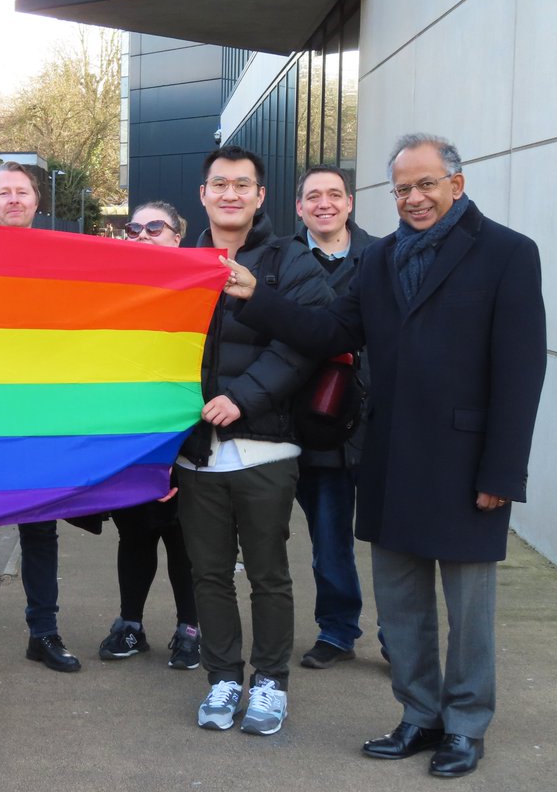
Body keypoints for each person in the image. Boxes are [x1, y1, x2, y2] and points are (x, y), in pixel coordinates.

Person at [222, 133, 546, 777]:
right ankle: (419, 716)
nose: (413, 198)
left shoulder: (508, 252)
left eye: (426, 184)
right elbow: (331, 331)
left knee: (469, 613)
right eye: (402, 189)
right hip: (391, 458)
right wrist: (258, 296)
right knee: (401, 606)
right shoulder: (381, 258)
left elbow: (521, 370)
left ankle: (466, 726)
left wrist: (503, 471)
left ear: (457, 183)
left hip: (467, 465)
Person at [176, 146, 331, 737]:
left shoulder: (291, 260)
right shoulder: (180, 264)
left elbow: (305, 343)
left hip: (265, 447)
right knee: (209, 573)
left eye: (243, 185)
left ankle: (270, 682)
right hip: (196, 454)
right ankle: (221, 676)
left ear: (261, 196)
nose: (231, 194)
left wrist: (243, 397)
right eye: (220, 184)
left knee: (268, 573)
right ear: (203, 194)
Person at [0, 161, 82, 679]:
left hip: (38, 414)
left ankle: (44, 632)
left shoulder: (61, 257)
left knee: (40, 530)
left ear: (36, 201)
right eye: (3, 192)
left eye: (21, 192)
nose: (13, 199)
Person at [97, 201, 199, 671]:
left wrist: (176, 458)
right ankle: (131, 625)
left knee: (185, 542)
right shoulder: (113, 296)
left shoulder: (201, 291)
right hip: (131, 444)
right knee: (135, 536)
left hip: (188, 444)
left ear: (178, 236)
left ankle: (190, 629)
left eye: (154, 227)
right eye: (133, 227)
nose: (141, 234)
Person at [290, 166, 378, 670]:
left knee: (396, 542)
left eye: (334, 195)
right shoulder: (282, 260)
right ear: (299, 208)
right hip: (316, 422)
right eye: (313, 196)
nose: (324, 204)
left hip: (380, 422)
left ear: (349, 202)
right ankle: (338, 630)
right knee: (328, 538)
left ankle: (400, 637)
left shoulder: (384, 255)